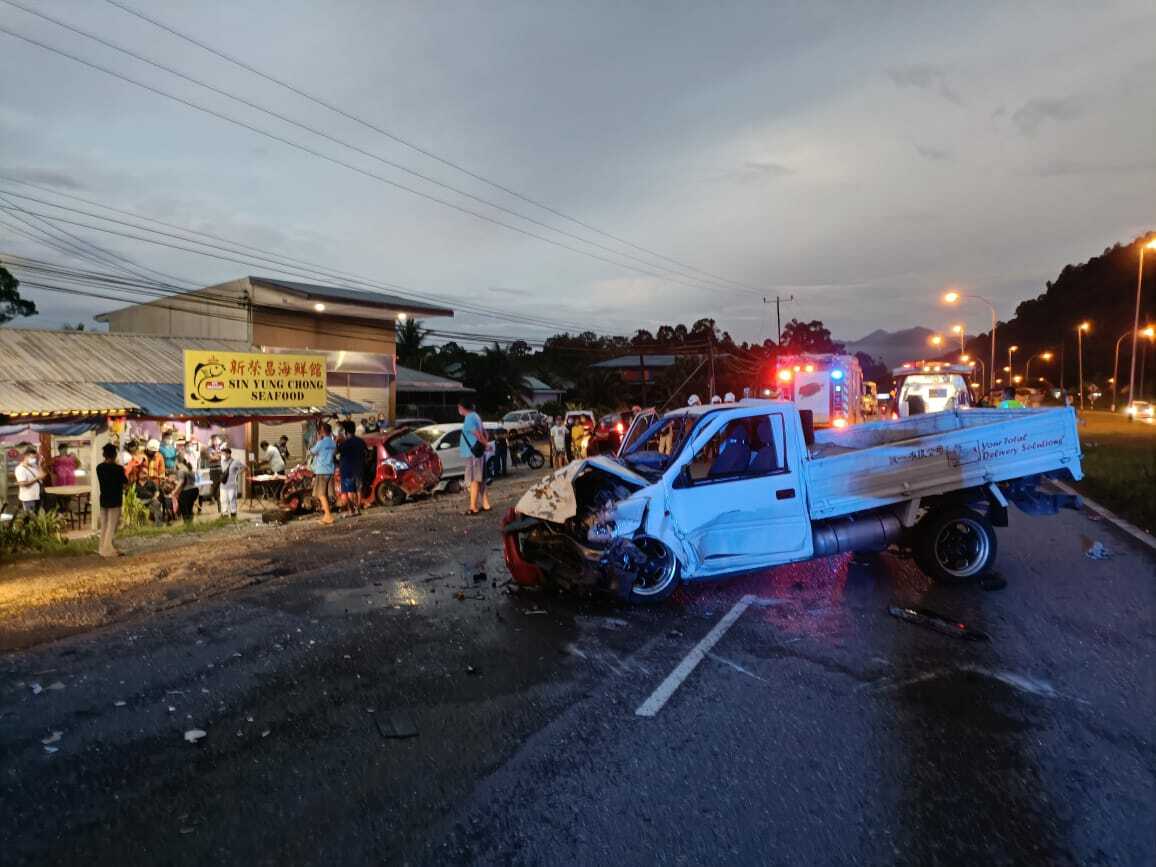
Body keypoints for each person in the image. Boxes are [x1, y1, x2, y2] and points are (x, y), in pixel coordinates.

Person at [458, 398, 490, 515]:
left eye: (459, 407)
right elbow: (485, 433)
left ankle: (473, 507)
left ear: (462, 408)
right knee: (480, 480)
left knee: (473, 480)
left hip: (472, 454)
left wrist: (486, 444)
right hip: (477, 453)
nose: (458, 410)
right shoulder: (476, 416)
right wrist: (486, 443)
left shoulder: (469, 418)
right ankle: (486, 504)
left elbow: (477, 434)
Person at [96, 443, 126, 557]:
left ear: (104, 454)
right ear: (114, 455)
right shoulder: (118, 469)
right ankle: (107, 550)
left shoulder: (99, 468)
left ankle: (102, 548)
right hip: (115, 499)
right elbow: (125, 482)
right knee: (112, 525)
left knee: (104, 524)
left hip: (104, 498)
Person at [335, 420, 368, 517]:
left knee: (350, 490)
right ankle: (358, 509)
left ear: (345, 431)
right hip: (359, 469)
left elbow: (336, 453)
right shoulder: (361, 441)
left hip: (347, 470)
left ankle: (351, 511)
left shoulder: (344, 443)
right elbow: (366, 454)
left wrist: (337, 442)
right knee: (358, 489)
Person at [308, 422, 337, 525]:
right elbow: (334, 453)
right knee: (326, 494)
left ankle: (328, 515)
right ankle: (326, 515)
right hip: (330, 470)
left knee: (321, 494)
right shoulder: (333, 443)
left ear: (322, 431)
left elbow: (311, 452)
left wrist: (318, 440)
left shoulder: (321, 443)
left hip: (321, 471)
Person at [14, 447, 45, 513]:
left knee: (38, 518)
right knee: (30, 519)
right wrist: (36, 478)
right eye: (32, 457)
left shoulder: (34, 466)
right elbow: (23, 484)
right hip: (28, 498)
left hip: (38, 496)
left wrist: (39, 464)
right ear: (25, 456)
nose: (33, 459)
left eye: (35, 458)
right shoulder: (20, 468)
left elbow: (42, 476)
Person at [218, 446, 244, 519]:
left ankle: (233, 514)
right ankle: (224, 514)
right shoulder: (222, 461)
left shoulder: (235, 462)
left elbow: (244, 467)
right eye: (222, 454)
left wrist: (237, 473)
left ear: (229, 454)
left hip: (232, 485)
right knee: (223, 500)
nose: (223, 456)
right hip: (223, 485)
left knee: (232, 500)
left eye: (224, 454)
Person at [174, 454, 198, 524]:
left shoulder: (181, 470)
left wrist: (174, 491)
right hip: (194, 490)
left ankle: (187, 524)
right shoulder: (189, 469)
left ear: (177, 461)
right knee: (189, 508)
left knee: (184, 509)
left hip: (186, 491)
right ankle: (190, 524)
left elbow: (181, 482)